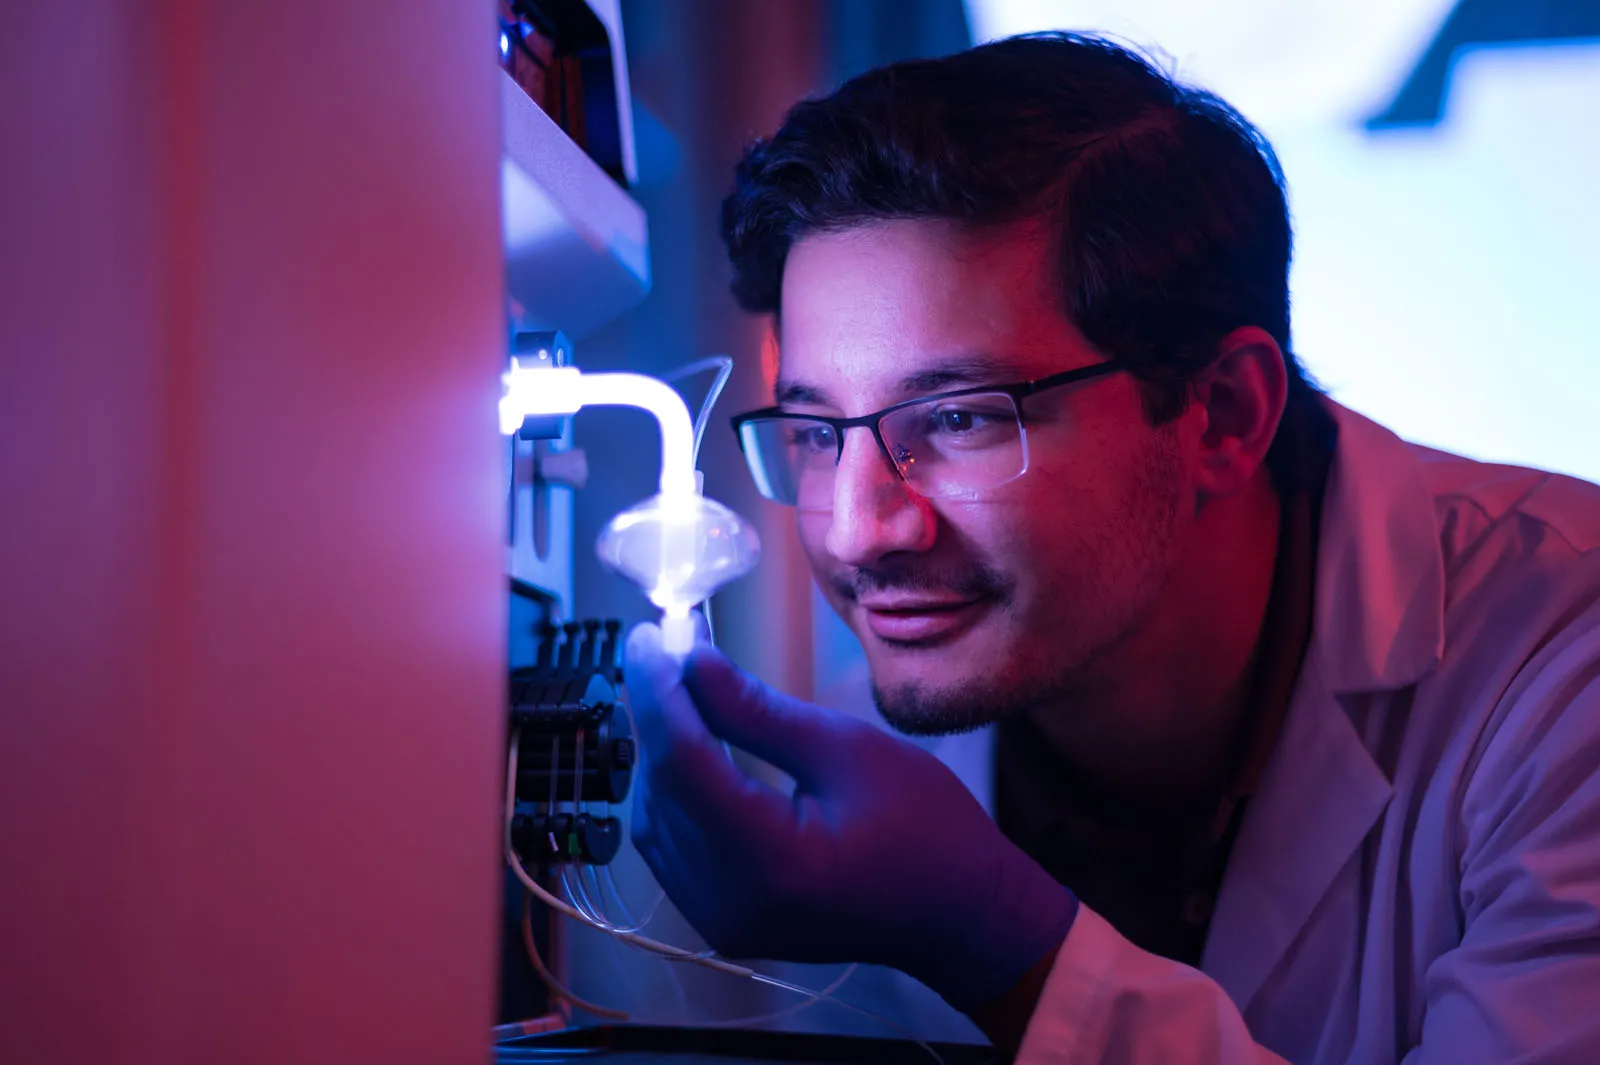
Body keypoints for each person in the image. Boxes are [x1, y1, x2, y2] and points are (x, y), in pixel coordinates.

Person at [622, 32, 1600, 1064]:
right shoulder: (883, 745)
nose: (862, 531)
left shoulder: (1561, 661)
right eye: (818, 434)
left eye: (959, 419)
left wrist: (998, 943)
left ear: (1223, 417)